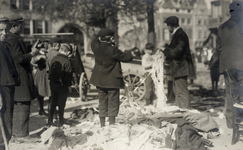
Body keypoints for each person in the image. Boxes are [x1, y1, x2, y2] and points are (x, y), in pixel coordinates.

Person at [90, 28, 133, 127]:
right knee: (113, 102)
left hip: (99, 80)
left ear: (101, 38)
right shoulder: (113, 50)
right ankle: (112, 124)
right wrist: (128, 51)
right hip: (112, 81)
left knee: (102, 101)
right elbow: (127, 58)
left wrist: (102, 38)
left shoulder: (95, 47)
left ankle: (102, 125)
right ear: (111, 38)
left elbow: (94, 41)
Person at [6, 13, 39, 143]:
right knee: (23, 104)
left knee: (19, 105)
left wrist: (31, 49)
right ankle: (22, 135)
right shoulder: (13, 40)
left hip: (16, 77)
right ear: (14, 25)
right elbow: (19, 58)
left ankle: (16, 134)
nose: (23, 27)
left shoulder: (12, 38)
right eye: (21, 25)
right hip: (20, 78)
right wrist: (32, 54)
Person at [216, 0, 243, 136]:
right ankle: (240, 121)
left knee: (230, 93)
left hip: (227, 66)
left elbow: (218, 48)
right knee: (241, 93)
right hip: (241, 66)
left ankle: (231, 123)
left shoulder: (221, 27)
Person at [162, 16, 195, 109]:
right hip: (178, 67)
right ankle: (181, 110)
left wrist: (165, 52)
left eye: (168, 26)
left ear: (170, 26)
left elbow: (178, 50)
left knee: (182, 90)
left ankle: (186, 112)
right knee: (177, 90)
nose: (168, 28)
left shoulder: (180, 35)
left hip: (181, 67)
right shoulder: (179, 34)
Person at [0, 15, 20, 149]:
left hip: (7, 83)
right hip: (2, 85)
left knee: (8, 114)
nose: (3, 34)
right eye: (0, 31)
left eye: (5, 31)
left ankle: (5, 142)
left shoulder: (4, 44)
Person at [48, 43, 73, 126]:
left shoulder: (54, 58)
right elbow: (68, 76)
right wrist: (69, 86)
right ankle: (61, 120)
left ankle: (50, 121)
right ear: (67, 52)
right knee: (61, 104)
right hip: (63, 86)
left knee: (53, 103)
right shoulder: (67, 61)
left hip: (53, 84)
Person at [31, 40, 51, 116]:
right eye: (45, 44)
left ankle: (50, 109)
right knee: (40, 93)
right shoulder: (38, 54)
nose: (46, 45)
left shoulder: (48, 53)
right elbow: (32, 61)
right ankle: (41, 109)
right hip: (41, 74)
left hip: (47, 74)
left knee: (49, 92)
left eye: (47, 44)